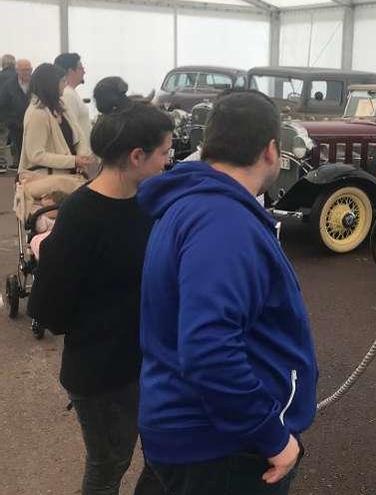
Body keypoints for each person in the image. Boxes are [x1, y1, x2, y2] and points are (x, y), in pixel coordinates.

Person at [137, 91, 317, 494]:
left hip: (194, 433)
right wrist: (273, 436)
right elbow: (209, 347)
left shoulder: (192, 205)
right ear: (271, 150)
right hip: (220, 447)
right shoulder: (224, 222)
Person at [28, 102, 172, 495]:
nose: (168, 162)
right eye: (164, 153)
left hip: (139, 362)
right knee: (109, 464)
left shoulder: (146, 204)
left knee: (153, 455)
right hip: (101, 374)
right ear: (137, 156)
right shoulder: (81, 214)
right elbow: (47, 309)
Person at [18, 63, 95, 177]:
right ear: (51, 84)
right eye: (63, 81)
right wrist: (73, 161)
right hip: (47, 180)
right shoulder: (37, 113)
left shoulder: (61, 105)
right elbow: (36, 155)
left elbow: (78, 136)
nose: (65, 84)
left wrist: (81, 156)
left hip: (69, 175)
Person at [55, 53, 92, 155]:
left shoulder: (71, 93)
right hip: (81, 156)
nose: (84, 71)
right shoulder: (68, 95)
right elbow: (72, 130)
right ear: (71, 71)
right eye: (80, 68)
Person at [0, 58, 32, 169]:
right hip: (16, 124)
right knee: (18, 148)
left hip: (33, 123)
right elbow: (3, 105)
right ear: (17, 70)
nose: (27, 72)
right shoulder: (9, 86)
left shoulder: (35, 84)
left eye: (29, 69)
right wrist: (9, 121)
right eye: (23, 70)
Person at [0, 54, 16, 171]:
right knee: (17, 138)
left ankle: (2, 163)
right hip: (16, 113)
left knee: (2, 139)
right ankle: (16, 162)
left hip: (2, 113)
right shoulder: (18, 76)